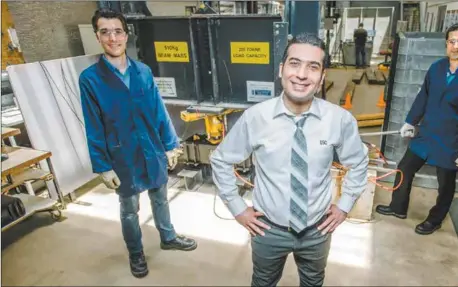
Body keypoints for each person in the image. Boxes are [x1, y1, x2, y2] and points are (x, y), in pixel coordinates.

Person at [209, 33, 369, 286]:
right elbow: (221, 160)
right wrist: (238, 209)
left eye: (313, 67)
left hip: (318, 229)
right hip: (268, 229)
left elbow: (358, 163)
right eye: (295, 64)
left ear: (322, 76)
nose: (302, 74)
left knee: (313, 281)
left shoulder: (339, 120)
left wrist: (344, 206)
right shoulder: (256, 118)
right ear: (282, 69)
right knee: (263, 281)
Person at [79, 8, 197, 278]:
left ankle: (168, 238)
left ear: (126, 34)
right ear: (98, 37)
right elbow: (93, 125)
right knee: (130, 209)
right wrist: (102, 166)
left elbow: (158, 110)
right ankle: (136, 253)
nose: (113, 38)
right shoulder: (90, 79)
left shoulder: (143, 71)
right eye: (105, 32)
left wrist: (170, 144)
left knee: (160, 197)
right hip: (122, 154)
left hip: (151, 148)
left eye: (118, 31)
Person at [375, 22, 458, 235]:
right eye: (451, 41)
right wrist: (411, 121)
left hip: (452, 139)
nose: (455, 46)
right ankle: (397, 207)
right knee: (404, 169)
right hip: (426, 134)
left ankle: (435, 219)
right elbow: (423, 97)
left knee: (445, 184)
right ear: (446, 43)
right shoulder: (436, 68)